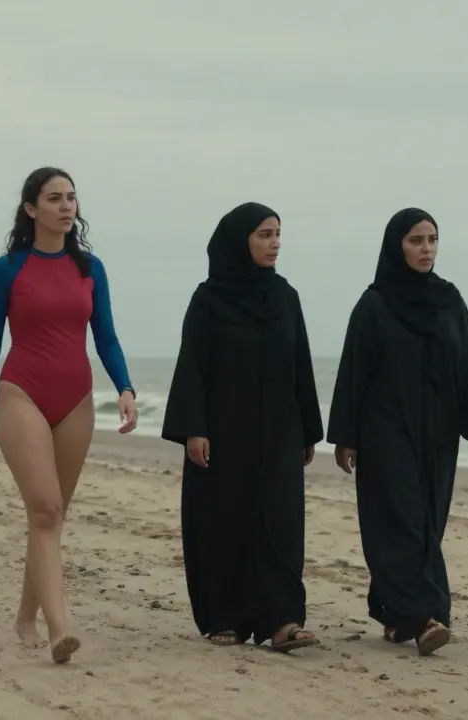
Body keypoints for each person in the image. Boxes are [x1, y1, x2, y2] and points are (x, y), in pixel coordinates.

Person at [0, 167, 137, 664]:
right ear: (31, 209)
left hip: (76, 399)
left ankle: (25, 617)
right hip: (22, 394)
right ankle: (60, 627)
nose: (66, 206)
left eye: (71, 198)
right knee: (44, 509)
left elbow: (105, 335)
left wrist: (124, 386)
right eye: (54, 198)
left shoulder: (90, 268)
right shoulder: (6, 270)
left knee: (51, 517)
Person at [327, 207, 468, 656]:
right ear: (396, 246)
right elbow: (353, 372)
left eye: (432, 240)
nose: (426, 249)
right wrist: (346, 435)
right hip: (385, 430)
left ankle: (393, 611)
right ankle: (427, 617)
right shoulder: (374, 304)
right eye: (416, 241)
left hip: (437, 434)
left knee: (427, 522)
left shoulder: (450, 300)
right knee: (403, 521)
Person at [160, 203, 324, 653]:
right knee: (224, 521)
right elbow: (191, 365)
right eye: (264, 235)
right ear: (240, 241)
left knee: (281, 523)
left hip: (280, 431)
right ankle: (224, 616)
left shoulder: (285, 296)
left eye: (277, 234)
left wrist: (309, 428)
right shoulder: (208, 299)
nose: (274, 243)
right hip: (223, 432)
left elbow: (300, 364)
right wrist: (194, 428)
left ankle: (283, 620)